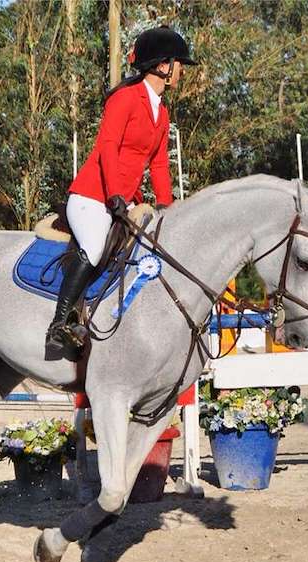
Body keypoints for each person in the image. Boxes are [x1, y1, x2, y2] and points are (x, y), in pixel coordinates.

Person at [45, 26, 197, 355]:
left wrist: (168, 207)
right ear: (163, 65)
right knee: (94, 247)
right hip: (91, 197)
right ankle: (58, 324)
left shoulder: (162, 113)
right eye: (179, 64)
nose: (182, 71)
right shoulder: (125, 99)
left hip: (121, 201)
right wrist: (114, 193)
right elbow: (107, 147)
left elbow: (159, 165)